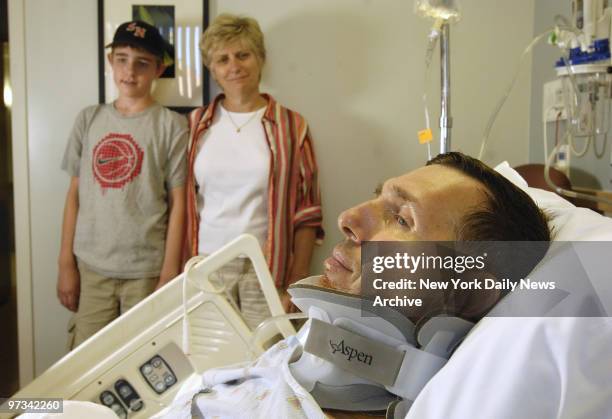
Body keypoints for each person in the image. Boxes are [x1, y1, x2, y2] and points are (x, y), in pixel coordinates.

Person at [159, 152, 554, 419]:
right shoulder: (299, 358)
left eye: (401, 219)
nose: (348, 217)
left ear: (471, 290)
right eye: (375, 198)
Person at [184, 14, 324, 329]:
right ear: (213, 70)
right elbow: (180, 200)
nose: (234, 66)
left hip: (266, 268)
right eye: (222, 59)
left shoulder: (292, 126)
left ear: (260, 58)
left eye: (243, 55)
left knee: (265, 361)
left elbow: (308, 211)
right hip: (205, 265)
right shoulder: (195, 125)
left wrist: (298, 279)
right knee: (212, 364)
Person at [57, 21, 188, 349]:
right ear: (110, 61)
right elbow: (73, 195)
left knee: (143, 358)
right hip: (92, 267)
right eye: (122, 59)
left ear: (158, 69)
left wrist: (169, 271)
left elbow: (179, 203)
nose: (130, 71)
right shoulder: (88, 119)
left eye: (142, 63)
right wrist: (65, 263)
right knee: (85, 361)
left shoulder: (172, 126)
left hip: (146, 271)